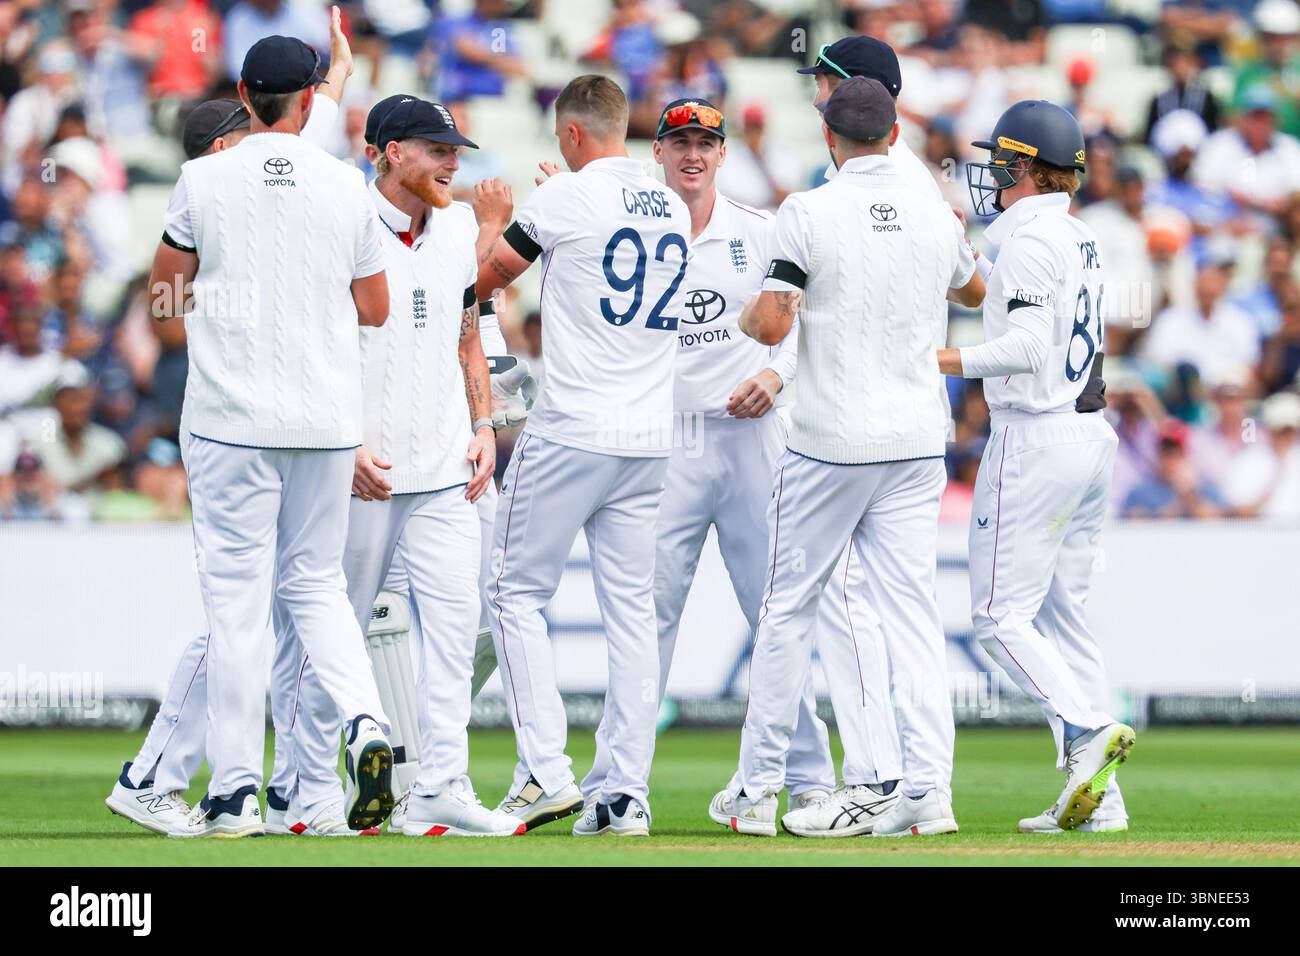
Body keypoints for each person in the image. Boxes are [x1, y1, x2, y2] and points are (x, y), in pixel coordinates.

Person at [106, 11, 387, 838]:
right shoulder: (344, 182)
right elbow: (373, 306)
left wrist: (213, 311)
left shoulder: (204, 177)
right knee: (317, 588)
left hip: (231, 421)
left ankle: (233, 794)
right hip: (327, 420)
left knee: (236, 609)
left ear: (242, 97)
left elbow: (161, 302)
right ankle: (367, 725)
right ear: (306, 101)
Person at [718, 77, 984, 839]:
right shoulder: (935, 217)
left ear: (831, 140)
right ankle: (929, 791)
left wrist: (761, 305)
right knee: (912, 616)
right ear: (894, 136)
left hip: (831, 441)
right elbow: (974, 291)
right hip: (914, 440)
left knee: (787, 611)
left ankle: (757, 793)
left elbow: (769, 327)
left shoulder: (809, 210)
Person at [264, 97, 520, 838]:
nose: (453, 163)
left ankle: (440, 786)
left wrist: (483, 424)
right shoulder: (341, 226)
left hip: (446, 467)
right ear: (389, 151)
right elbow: (304, 344)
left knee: (453, 633)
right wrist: (339, 446)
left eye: (456, 150)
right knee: (333, 633)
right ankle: (308, 792)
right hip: (361, 472)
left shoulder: (459, 230)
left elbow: (467, 333)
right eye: (437, 150)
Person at [473, 75, 691, 835]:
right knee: (633, 617)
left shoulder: (562, 199)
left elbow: (482, 284)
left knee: (510, 592)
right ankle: (623, 793)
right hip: (648, 439)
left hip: (573, 428)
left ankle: (545, 771)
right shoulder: (669, 201)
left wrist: (496, 219)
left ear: (569, 135)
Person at [941, 99, 1135, 833]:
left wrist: (938, 359)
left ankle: (1087, 733)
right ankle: (1103, 803)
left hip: (1036, 436)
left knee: (996, 616)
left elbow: (1024, 347)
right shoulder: (1078, 235)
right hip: (1089, 435)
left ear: (1024, 168)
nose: (991, 175)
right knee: (1064, 617)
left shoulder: (1025, 239)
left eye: (1001, 162)